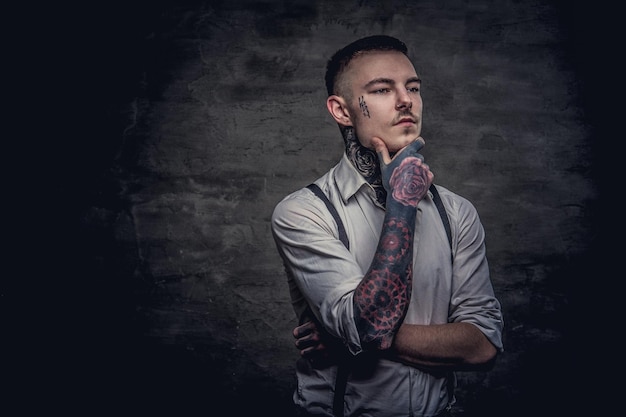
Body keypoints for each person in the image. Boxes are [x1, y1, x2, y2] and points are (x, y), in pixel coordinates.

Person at [271, 35, 504, 417]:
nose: (406, 100)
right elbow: (369, 328)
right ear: (342, 110)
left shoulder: (457, 212)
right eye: (382, 89)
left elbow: (482, 347)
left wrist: (346, 338)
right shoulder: (303, 212)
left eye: (413, 87)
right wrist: (402, 203)